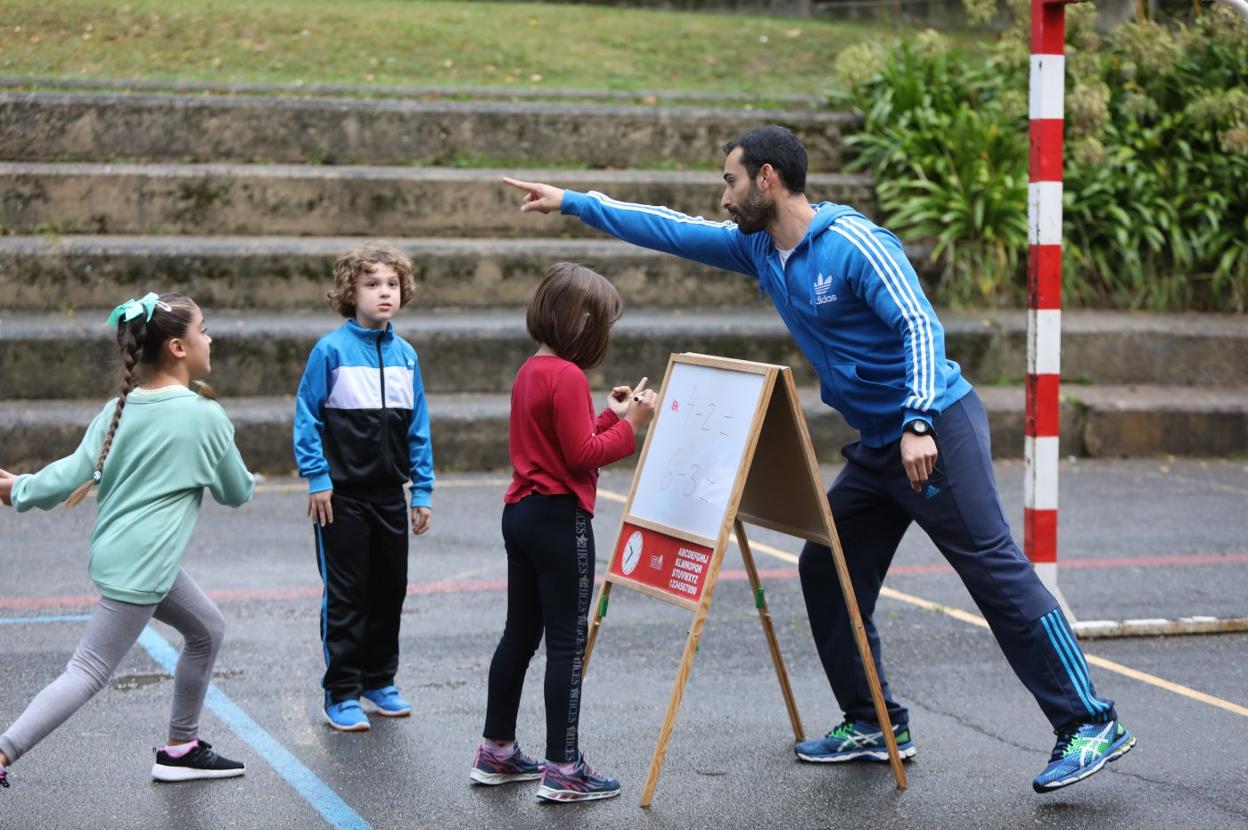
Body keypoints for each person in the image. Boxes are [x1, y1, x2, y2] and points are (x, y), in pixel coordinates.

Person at [501, 125, 1134, 793]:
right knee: (826, 566)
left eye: (730, 181)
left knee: (994, 571)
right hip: (878, 446)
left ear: (766, 179)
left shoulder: (854, 243)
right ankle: (873, 722)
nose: (724, 198)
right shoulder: (760, 249)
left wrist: (919, 419)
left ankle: (1089, 721)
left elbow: (919, 325)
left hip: (934, 428)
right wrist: (573, 202)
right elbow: (671, 228)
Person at [0, 292, 255, 788]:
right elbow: (237, 492)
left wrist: (18, 490)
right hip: (143, 569)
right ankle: (4, 752)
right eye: (203, 330)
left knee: (207, 630)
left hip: (129, 557)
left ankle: (181, 749)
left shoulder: (120, 408)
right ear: (178, 348)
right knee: (87, 671)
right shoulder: (205, 415)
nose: (210, 339)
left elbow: (70, 473)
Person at [469, 262, 657, 803]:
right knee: (567, 647)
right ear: (584, 324)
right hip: (559, 520)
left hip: (522, 513)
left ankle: (496, 750)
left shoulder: (533, 369)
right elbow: (581, 456)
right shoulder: (569, 376)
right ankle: (564, 767)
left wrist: (609, 415)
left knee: (519, 635)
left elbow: (562, 441)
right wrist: (633, 426)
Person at [293, 242, 435, 733]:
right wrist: (317, 478)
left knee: (390, 590)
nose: (384, 292)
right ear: (349, 293)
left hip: (388, 496)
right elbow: (307, 418)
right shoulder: (330, 351)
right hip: (342, 498)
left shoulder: (406, 356)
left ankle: (379, 680)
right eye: (372, 284)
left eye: (392, 284)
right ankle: (342, 691)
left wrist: (421, 489)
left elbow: (418, 427)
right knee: (347, 594)